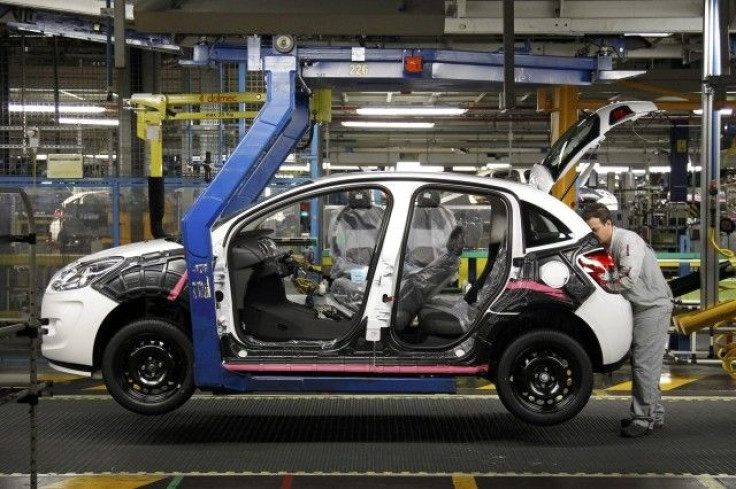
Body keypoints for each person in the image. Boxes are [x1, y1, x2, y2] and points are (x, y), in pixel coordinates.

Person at [582, 203, 673, 438]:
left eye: (595, 230)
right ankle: (656, 413)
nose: (592, 235)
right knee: (644, 365)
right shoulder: (607, 246)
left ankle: (643, 419)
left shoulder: (627, 241)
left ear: (609, 223)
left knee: (644, 365)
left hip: (652, 308)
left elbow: (627, 278)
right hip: (638, 308)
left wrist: (601, 286)